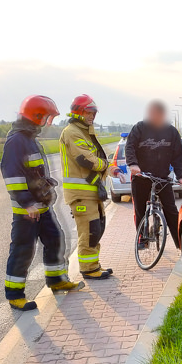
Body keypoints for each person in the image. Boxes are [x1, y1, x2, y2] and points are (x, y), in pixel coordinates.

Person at [2, 95, 83, 310]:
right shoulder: (17, 141)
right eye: (46, 116)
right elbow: (13, 176)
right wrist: (27, 203)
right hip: (27, 210)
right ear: (36, 115)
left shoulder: (29, 139)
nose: (49, 121)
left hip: (41, 207)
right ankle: (15, 295)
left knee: (55, 238)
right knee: (23, 249)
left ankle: (56, 280)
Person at [60, 94, 119, 280]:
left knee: (96, 229)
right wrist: (105, 166)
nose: (92, 116)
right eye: (88, 112)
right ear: (78, 112)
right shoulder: (72, 132)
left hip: (92, 192)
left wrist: (110, 169)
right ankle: (88, 269)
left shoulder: (84, 131)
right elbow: (85, 159)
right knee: (89, 231)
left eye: (93, 113)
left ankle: (93, 265)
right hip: (81, 194)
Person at [125, 100, 182, 249]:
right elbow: (130, 147)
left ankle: (180, 244)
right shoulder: (139, 128)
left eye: (158, 114)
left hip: (162, 178)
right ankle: (142, 238)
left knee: (171, 210)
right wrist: (133, 164)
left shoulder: (171, 132)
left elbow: (178, 156)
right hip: (142, 177)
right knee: (140, 209)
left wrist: (181, 176)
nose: (155, 117)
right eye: (152, 114)